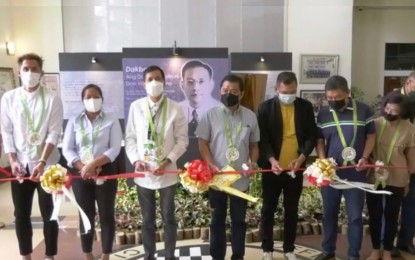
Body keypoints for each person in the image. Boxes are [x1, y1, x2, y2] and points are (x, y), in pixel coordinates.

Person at [1, 53, 63, 260]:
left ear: (41, 72)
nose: (30, 73)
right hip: (19, 166)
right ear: (19, 71)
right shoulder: (9, 98)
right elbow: (6, 132)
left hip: (48, 166)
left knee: (50, 214)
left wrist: (42, 161)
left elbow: (54, 133)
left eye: (34, 69)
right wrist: (12, 160)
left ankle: (50, 255)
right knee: (21, 215)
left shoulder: (52, 98)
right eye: (26, 69)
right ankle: (25, 254)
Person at [125, 65, 188, 260]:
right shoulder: (136, 107)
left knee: (169, 218)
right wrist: (136, 160)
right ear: (144, 83)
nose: (154, 82)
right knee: (147, 220)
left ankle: (170, 256)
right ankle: (149, 255)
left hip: (167, 173)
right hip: (144, 175)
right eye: (150, 79)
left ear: (164, 82)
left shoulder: (176, 108)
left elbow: (182, 140)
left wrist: (168, 160)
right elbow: (130, 138)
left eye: (158, 78)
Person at [196, 74, 260, 260]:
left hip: (241, 179)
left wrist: (253, 162)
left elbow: (254, 145)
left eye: (233, 91)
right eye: (225, 91)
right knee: (217, 221)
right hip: (218, 179)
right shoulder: (210, 114)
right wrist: (211, 164)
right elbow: (202, 143)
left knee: (239, 221)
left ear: (241, 94)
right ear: (220, 91)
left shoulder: (250, 116)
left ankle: (238, 256)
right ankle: (217, 257)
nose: (228, 94)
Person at [257, 72, 317, 260]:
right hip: (272, 168)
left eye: (292, 92)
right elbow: (262, 139)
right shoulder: (265, 108)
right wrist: (272, 160)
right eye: (284, 92)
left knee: (291, 209)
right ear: (276, 89)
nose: (288, 95)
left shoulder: (305, 107)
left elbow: (311, 136)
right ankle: (267, 249)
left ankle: (289, 248)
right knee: (268, 209)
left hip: (295, 169)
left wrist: (301, 158)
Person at [315, 75, 376, 260]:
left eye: (337, 97)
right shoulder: (324, 113)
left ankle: (353, 255)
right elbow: (319, 140)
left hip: (356, 172)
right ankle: (328, 250)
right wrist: (323, 161)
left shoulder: (364, 110)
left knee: (355, 217)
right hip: (331, 172)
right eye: (329, 98)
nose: (333, 101)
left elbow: (371, 136)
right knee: (329, 214)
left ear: (348, 93)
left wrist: (365, 157)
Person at [62, 84, 122, 260]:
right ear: (83, 100)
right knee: (85, 213)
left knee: (106, 213)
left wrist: (95, 164)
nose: (92, 100)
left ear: (102, 99)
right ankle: (87, 252)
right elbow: (67, 149)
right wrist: (84, 167)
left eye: (96, 97)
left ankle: (106, 254)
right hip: (80, 174)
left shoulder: (112, 119)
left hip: (105, 171)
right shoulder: (74, 121)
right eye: (88, 97)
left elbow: (115, 147)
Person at [365, 92, 415, 260]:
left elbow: (411, 158)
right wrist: (373, 163)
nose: (389, 113)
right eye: (387, 108)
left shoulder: (410, 129)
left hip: (398, 177)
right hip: (374, 175)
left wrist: (408, 180)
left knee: (392, 215)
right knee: (375, 213)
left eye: (394, 111)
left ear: (403, 113)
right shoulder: (375, 124)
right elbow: (367, 149)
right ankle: (375, 249)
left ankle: (387, 250)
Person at [391, 71, 415, 256]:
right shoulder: (392, 100)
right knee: (390, 205)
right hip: (395, 162)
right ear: (409, 83)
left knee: (411, 204)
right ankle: (387, 243)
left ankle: (405, 241)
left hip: (413, 160)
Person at [180, 59, 217, 137]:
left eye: (201, 82)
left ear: (210, 84)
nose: (196, 88)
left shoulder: (218, 111)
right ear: (182, 84)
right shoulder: (176, 111)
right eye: (190, 82)